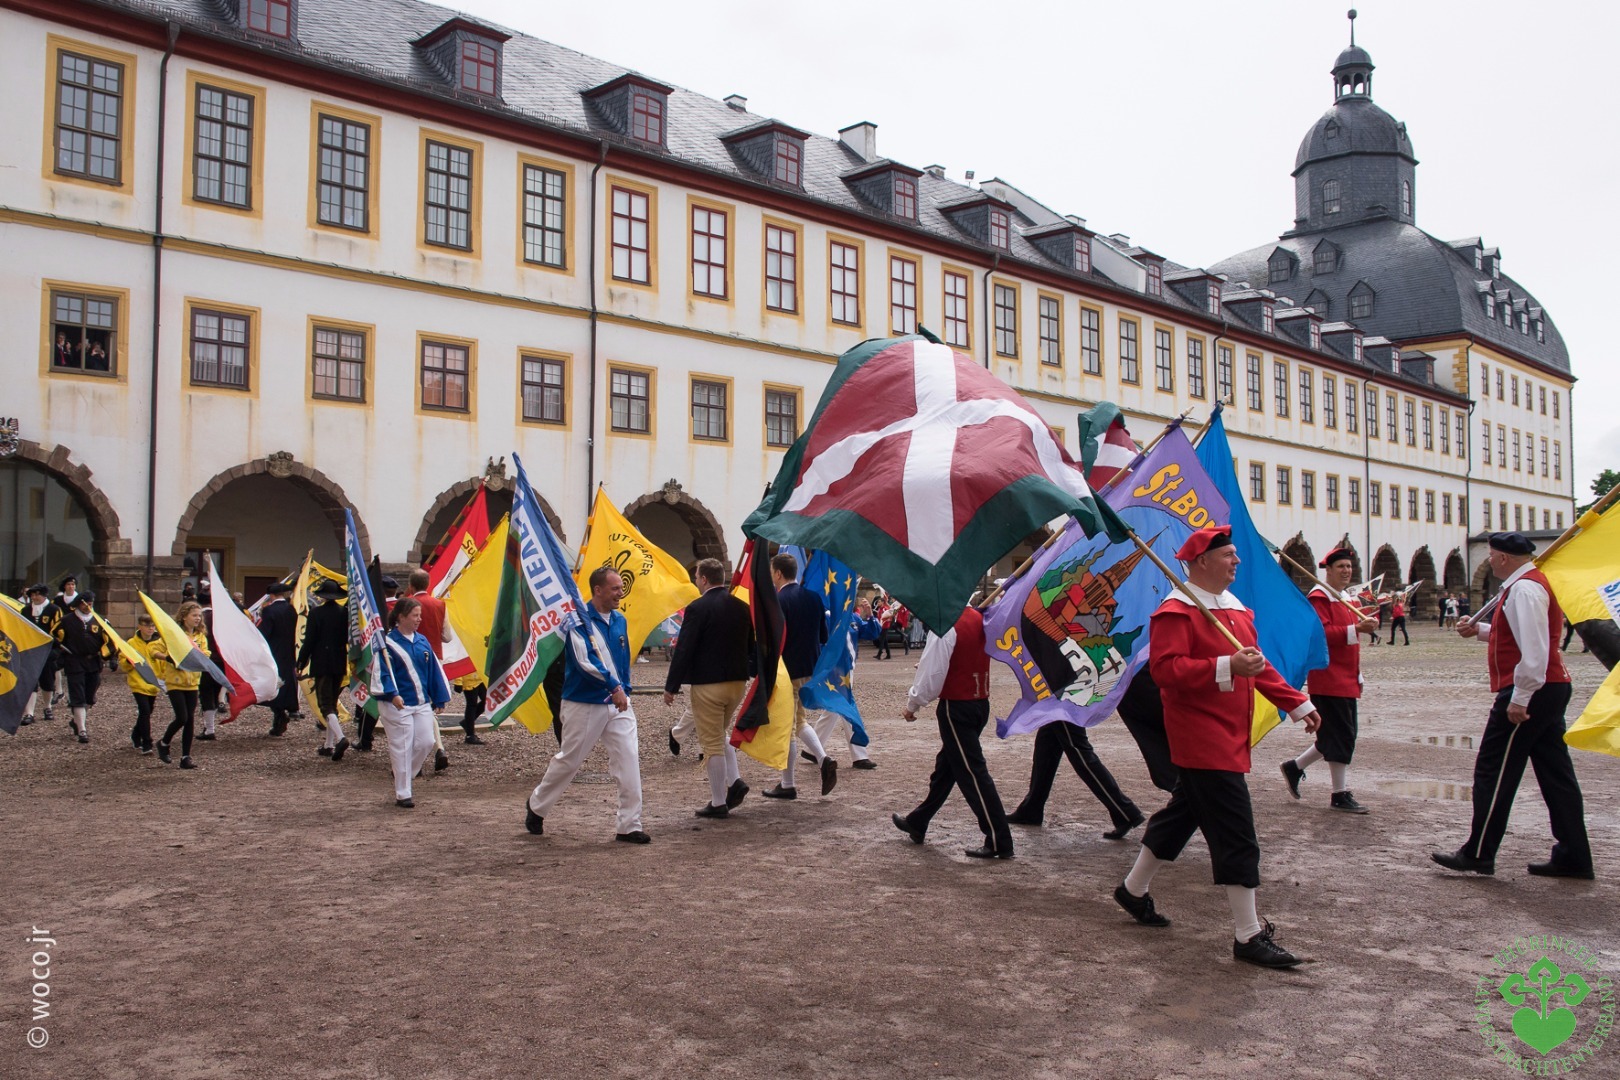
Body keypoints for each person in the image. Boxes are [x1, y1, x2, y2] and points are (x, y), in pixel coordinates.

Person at [1113, 525, 1321, 969]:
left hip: (1228, 733)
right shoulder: (1176, 611)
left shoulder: (1235, 609)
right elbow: (1166, 672)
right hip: (1201, 737)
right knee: (1236, 832)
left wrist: (1297, 703)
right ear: (1202, 562)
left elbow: (1256, 665)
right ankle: (1248, 935)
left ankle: (1132, 890)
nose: (1237, 561)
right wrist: (1226, 664)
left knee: (1180, 818)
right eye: (1228, 555)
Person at [1432, 533, 1592, 879]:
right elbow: (1517, 634)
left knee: (1494, 770)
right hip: (1549, 687)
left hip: (1533, 689)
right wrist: (1480, 631)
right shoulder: (1526, 585)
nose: (1489, 560)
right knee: (1556, 775)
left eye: (1491, 555)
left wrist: (1520, 698)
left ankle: (1479, 852)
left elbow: (1534, 650)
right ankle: (1574, 855)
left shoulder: (1524, 589)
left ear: (1503, 558)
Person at [523, 567, 649, 843]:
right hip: (584, 702)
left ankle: (629, 824)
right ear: (598, 590)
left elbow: (622, 658)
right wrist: (613, 686)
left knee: (628, 758)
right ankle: (537, 805)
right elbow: (584, 662)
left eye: (621, 588)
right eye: (615, 588)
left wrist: (624, 688)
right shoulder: (577, 621)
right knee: (570, 760)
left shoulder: (620, 620)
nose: (620, 593)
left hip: (618, 703)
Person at [891, 605, 1014, 859]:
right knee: (946, 769)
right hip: (979, 701)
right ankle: (918, 821)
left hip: (957, 706)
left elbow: (932, 675)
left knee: (972, 773)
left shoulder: (946, 624)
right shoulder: (978, 617)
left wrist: (912, 705)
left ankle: (998, 838)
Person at [1282, 547, 1381, 813]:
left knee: (1335, 735)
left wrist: (1358, 670)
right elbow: (1319, 635)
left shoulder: (1346, 598)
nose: (1346, 571)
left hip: (1346, 677)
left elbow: (1351, 640)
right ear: (1328, 570)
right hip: (1328, 677)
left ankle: (1295, 767)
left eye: (1349, 566)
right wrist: (1355, 628)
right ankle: (1339, 793)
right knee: (1341, 736)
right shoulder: (1319, 597)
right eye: (1341, 567)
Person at [663, 558, 753, 818]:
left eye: (696, 578)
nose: (696, 581)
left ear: (703, 579)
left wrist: (672, 685)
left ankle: (718, 802)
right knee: (718, 733)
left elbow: (685, 648)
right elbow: (750, 645)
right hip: (737, 682)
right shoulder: (741, 606)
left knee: (711, 742)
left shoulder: (697, 607)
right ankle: (735, 781)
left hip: (708, 684)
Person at [762, 553, 837, 800]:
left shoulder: (778, 600)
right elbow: (823, 636)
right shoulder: (814, 598)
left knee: (788, 725)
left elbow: (772, 640)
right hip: (809, 668)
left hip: (787, 670)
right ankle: (822, 759)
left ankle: (789, 783)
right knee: (799, 719)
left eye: (772, 572)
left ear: (778, 573)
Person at [1006, 718, 1146, 840]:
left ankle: (1125, 811)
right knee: (1047, 742)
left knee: (1079, 752)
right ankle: (1031, 809)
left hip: (1062, 699)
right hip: (1056, 699)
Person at [376, 598, 451, 808]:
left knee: (426, 741)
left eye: (419, 615)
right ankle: (403, 793)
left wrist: (439, 696)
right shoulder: (387, 644)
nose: (419, 619)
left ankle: (404, 773)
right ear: (401, 617)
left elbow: (433, 670)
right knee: (402, 745)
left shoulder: (422, 641)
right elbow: (381, 671)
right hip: (397, 704)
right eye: (415, 615)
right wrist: (391, 694)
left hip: (421, 702)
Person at [296, 578, 351, 762]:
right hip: (339, 661)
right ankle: (328, 745)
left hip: (322, 662)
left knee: (325, 704)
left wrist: (300, 662)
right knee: (332, 702)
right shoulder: (344, 613)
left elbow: (309, 641)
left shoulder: (316, 613)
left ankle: (341, 738)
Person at [153, 601, 210, 769]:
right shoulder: (174, 634)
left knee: (190, 719)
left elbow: (206, 652)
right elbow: (154, 650)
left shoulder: (200, 637)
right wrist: (168, 658)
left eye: (199, 615)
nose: (197, 618)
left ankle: (186, 756)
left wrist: (202, 656)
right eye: (194, 615)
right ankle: (164, 742)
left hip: (192, 682)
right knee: (182, 717)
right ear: (184, 616)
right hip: (175, 682)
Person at [407, 569, 453, 771]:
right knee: (428, 706)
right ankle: (438, 748)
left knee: (417, 706)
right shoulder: (440, 605)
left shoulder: (407, 605)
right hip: (435, 657)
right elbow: (447, 637)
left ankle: (432, 750)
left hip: (412, 658)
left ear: (411, 585)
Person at [55, 591, 112, 743]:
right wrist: (58, 652)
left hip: (93, 661)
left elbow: (111, 640)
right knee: (77, 695)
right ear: (78, 604)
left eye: (90, 604)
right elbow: (55, 637)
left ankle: (77, 720)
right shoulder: (66, 620)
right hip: (74, 661)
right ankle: (82, 730)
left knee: (89, 695)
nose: (88, 607)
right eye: (85, 604)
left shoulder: (100, 621)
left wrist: (110, 656)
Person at [257, 581, 299, 736]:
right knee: (287, 680)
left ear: (271, 596)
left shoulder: (269, 611)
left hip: (274, 651)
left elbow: (264, 633)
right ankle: (287, 710)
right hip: (289, 650)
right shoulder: (291, 609)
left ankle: (279, 714)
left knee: (274, 682)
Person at [19, 583, 64, 727]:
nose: (34, 597)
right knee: (30, 682)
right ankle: (29, 713)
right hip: (31, 651)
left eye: (37, 594)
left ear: (44, 595)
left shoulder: (54, 610)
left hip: (48, 651)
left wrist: (54, 642)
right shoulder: (26, 610)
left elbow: (59, 630)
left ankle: (47, 707)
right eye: (32, 595)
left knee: (47, 681)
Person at [122, 613, 162, 754]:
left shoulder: (158, 643)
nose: (150, 628)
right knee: (144, 711)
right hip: (138, 682)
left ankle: (136, 734)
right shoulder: (131, 643)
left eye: (152, 626)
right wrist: (128, 662)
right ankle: (147, 742)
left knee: (148, 711)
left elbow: (162, 663)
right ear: (140, 626)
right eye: (147, 626)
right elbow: (123, 662)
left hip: (153, 682)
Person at [195, 583, 223, 741]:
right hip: (221, 660)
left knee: (206, 694)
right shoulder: (221, 618)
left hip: (205, 660)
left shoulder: (198, 620)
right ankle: (209, 726)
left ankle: (209, 728)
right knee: (215, 692)